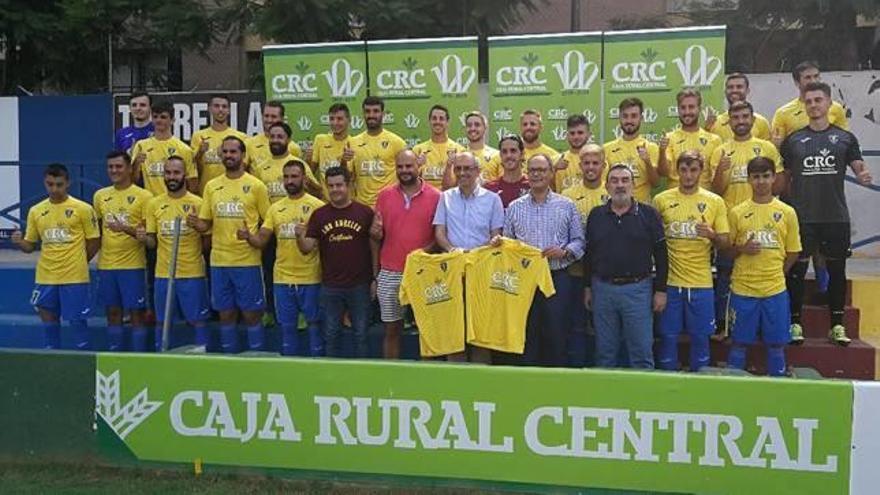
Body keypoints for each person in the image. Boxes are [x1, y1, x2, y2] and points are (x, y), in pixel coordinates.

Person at [781, 81, 872, 346]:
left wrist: (863, 174)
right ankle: (795, 323)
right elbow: (784, 178)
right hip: (803, 218)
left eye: (818, 100)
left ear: (829, 103)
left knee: (836, 272)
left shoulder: (845, 138)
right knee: (796, 272)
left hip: (835, 217)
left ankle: (837, 325)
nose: (813, 105)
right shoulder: (793, 141)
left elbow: (858, 166)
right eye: (808, 101)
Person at [189, 136, 270, 353]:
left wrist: (254, 238)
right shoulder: (212, 187)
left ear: (243, 156)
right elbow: (206, 222)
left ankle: (256, 360)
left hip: (247, 261)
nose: (228, 156)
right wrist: (197, 223)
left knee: (251, 314)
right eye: (225, 152)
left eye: (233, 152)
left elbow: (268, 221)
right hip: (219, 261)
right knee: (225, 314)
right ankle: (229, 359)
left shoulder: (256, 186)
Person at [709, 100, 783, 333]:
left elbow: (778, 185)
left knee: (763, 276)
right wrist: (721, 169)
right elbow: (717, 190)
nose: (740, 121)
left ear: (752, 119)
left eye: (744, 117)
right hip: (731, 223)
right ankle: (723, 325)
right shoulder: (720, 150)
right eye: (736, 118)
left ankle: (759, 326)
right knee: (725, 277)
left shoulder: (767, 148)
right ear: (729, 121)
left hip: (764, 223)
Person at [583, 164, 667, 369]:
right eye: (615, 180)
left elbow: (662, 254)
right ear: (607, 186)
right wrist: (587, 287)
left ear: (634, 184)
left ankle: (644, 400)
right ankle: (607, 399)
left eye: (625, 180)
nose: (620, 185)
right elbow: (589, 254)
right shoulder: (596, 215)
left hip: (637, 290)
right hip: (603, 290)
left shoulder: (649, 215)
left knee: (641, 353)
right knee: (605, 353)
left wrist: (661, 290)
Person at [503, 154, 584, 367]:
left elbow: (579, 241)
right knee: (527, 333)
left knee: (557, 333)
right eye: (533, 170)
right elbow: (507, 246)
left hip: (556, 277)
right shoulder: (514, 207)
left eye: (542, 170)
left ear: (551, 173)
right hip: (524, 282)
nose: (537, 174)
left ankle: (557, 385)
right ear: (527, 174)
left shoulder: (567, 205)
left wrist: (565, 251)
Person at [11, 164, 100, 350]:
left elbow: (94, 241)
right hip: (46, 278)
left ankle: (82, 365)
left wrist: (79, 262)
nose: (54, 189)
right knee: (49, 325)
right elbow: (30, 246)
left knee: (77, 323)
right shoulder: (36, 211)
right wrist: (19, 242)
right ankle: (52, 364)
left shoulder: (83, 209)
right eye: (50, 184)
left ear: (67, 183)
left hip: (75, 278)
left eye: (59, 184)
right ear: (45, 183)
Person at [654, 151, 729, 371]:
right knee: (668, 338)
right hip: (670, 283)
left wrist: (713, 235)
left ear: (701, 171)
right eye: (684, 170)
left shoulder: (714, 201)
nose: (688, 175)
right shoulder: (662, 200)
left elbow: (725, 242)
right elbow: (653, 240)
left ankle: (701, 390)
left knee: (700, 339)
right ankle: (667, 388)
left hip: (701, 283)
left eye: (693, 170)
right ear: (677, 171)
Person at [726, 157, 801, 376]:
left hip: (774, 290)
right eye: (756, 177)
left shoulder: (787, 212)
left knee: (777, 345)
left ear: (774, 178)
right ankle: (733, 391)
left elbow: (794, 251)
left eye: (766, 176)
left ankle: (777, 391)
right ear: (748, 179)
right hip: (743, 289)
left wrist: (777, 273)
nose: (761, 182)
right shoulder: (737, 212)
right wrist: (742, 249)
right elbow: (727, 251)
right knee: (739, 343)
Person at [244, 160, 325, 357]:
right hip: (282, 279)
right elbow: (263, 239)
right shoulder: (275, 208)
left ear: (304, 179)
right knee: (287, 329)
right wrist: (249, 237)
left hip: (311, 278)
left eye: (294, 176)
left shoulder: (317, 207)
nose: (289, 181)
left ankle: (318, 370)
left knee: (314, 326)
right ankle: (289, 372)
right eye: (286, 177)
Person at [298, 166, 375, 358]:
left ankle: (363, 376)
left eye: (339, 185)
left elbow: (375, 247)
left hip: (360, 285)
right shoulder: (319, 215)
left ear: (348, 185)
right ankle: (332, 378)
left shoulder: (365, 213)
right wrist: (299, 236)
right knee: (331, 335)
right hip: (331, 286)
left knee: (361, 334)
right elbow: (307, 248)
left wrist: (375, 277)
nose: (335, 190)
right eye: (331, 186)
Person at [372, 150, 441, 359]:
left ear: (418, 166)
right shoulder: (384, 196)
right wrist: (376, 275)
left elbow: (440, 236)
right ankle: (391, 379)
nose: (404, 171)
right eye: (400, 166)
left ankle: (427, 378)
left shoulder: (436, 196)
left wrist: (421, 253)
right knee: (391, 330)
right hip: (390, 272)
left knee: (427, 331)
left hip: (423, 273)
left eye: (409, 166)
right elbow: (375, 237)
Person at [137, 156, 211, 351]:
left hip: (192, 274)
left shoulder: (198, 202)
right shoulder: (154, 204)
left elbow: (207, 237)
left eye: (176, 173)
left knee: (198, 320)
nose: (172, 177)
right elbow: (152, 242)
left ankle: (201, 356)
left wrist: (199, 226)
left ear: (184, 175)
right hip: (163, 274)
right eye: (168, 173)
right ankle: (161, 355)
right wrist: (144, 238)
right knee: (162, 321)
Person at [251, 122, 321, 327]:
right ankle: (273, 311)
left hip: (300, 224)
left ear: (288, 140)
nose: (275, 140)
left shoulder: (298, 163)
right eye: (272, 136)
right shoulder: (261, 166)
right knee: (270, 269)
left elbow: (316, 190)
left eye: (279, 136)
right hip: (272, 224)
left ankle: (302, 312)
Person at [93, 151, 153, 351]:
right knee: (112, 313)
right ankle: (115, 355)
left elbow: (146, 235)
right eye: (110, 167)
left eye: (118, 166)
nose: (114, 170)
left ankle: (139, 357)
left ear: (128, 168)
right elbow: (98, 232)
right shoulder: (100, 196)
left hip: (133, 266)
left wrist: (125, 228)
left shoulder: (144, 196)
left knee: (137, 313)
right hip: (107, 265)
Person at [561, 144, 608, 366]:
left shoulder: (612, 193)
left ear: (603, 165)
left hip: (604, 275)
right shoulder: (567, 196)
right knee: (576, 327)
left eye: (595, 163)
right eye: (586, 163)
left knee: (603, 329)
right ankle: (577, 372)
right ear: (579, 165)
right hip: (574, 273)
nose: (590, 167)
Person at [434, 153, 505, 252]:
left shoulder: (493, 200)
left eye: (467, 168)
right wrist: (452, 250)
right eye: (458, 169)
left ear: (477, 171)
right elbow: (439, 232)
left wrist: (477, 253)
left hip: (483, 261)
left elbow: (496, 235)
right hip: (453, 259)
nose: (462, 173)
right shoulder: (445, 197)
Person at [771, 61, 850, 144]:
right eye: (808, 78)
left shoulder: (835, 108)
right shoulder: (783, 113)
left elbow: (845, 139)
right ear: (797, 83)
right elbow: (777, 146)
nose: (813, 81)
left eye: (816, 76)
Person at [658, 88, 721, 190]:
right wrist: (661, 151)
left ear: (699, 109)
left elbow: (717, 181)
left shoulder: (714, 139)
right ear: (678, 109)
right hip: (675, 200)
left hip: (704, 201)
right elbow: (663, 173)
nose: (687, 112)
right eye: (683, 108)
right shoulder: (669, 138)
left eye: (691, 107)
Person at [350, 96, 407, 207]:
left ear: (383, 114)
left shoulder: (397, 142)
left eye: (376, 111)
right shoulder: (353, 142)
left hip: (389, 205)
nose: (371, 115)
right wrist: (343, 160)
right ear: (363, 114)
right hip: (362, 206)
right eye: (367, 111)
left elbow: (406, 175)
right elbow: (348, 177)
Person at [132, 101, 198, 196]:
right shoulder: (141, 146)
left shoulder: (184, 149)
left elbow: (193, 184)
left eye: (163, 117)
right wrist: (136, 164)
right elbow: (133, 181)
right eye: (155, 117)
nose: (158, 120)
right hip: (151, 204)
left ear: (172, 120)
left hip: (175, 203)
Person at [603, 98, 660, 203]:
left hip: (642, 209)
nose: (629, 121)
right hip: (616, 207)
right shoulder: (607, 149)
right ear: (619, 118)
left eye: (634, 116)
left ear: (641, 118)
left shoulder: (651, 147)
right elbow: (604, 185)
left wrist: (647, 162)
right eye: (625, 116)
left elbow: (656, 183)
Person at [191, 94, 248, 193]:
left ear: (229, 110)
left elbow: (244, 168)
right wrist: (200, 153)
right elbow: (192, 169)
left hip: (233, 191)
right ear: (210, 109)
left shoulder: (241, 137)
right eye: (216, 106)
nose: (220, 110)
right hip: (206, 192)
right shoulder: (199, 136)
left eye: (224, 106)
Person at [484, 110, 559, 180]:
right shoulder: (501, 157)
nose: (528, 127)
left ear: (541, 127)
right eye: (525, 124)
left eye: (532, 124)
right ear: (520, 127)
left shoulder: (552, 156)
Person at [704, 73, 771, 142]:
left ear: (747, 91)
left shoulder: (761, 123)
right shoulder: (715, 123)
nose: (734, 90)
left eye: (739, 87)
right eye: (730, 87)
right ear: (725, 91)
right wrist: (707, 130)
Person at [307, 103, 354, 199]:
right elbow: (310, 173)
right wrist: (307, 159)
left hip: (346, 201)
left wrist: (344, 161)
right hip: (324, 203)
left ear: (349, 120)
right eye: (331, 119)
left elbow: (348, 178)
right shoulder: (320, 139)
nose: (335, 123)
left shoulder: (354, 143)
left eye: (339, 119)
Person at [413, 104, 465, 189]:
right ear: (429, 121)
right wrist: (417, 166)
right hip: (427, 199)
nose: (437, 122)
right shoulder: (418, 150)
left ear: (447, 122)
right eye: (434, 118)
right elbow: (411, 182)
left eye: (441, 119)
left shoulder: (459, 150)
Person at [245, 101, 303, 172]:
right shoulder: (249, 144)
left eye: (273, 116)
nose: (269, 120)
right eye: (266, 116)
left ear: (282, 119)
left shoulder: (293, 148)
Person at [485, 135, 529, 208]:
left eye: (513, 151)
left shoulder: (532, 187)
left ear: (522, 154)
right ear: (500, 156)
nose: (508, 155)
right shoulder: (490, 189)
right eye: (504, 152)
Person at [553, 114, 591, 192]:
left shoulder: (597, 161)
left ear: (589, 134)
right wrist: (553, 169)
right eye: (572, 133)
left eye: (580, 133)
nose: (576, 137)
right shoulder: (555, 161)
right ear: (567, 135)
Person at [462, 111, 498, 180]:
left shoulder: (497, 155)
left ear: (485, 128)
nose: (473, 128)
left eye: (477, 125)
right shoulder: (459, 156)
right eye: (469, 125)